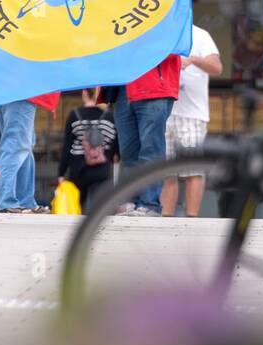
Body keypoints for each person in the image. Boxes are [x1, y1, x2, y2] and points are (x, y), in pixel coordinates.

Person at [161, 25, 222, 218]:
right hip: (166, 111)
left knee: (192, 170)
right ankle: (166, 217)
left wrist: (194, 59)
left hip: (192, 114)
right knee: (166, 172)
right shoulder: (165, 31)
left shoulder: (200, 35)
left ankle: (192, 217)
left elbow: (217, 67)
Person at [112, 54, 181, 216]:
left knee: (151, 148)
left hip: (153, 84)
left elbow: (176, 43)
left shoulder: (167, 26)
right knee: (129, 152)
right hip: (123, 86)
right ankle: (135, 202)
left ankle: (149, 204)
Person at [0, 93, 60, 214]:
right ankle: (6, 201)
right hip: (21, 91)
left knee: (24, 146)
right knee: (16, 145)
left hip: (9, 89)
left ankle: (24, 201)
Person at [57, 88, 119, 213]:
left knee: (78, 209)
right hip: (102, 170)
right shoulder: (109, 117)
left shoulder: (74, 115)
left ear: (84, 94)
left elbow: (67, 147)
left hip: (79, 169)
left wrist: (61, 173)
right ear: (98, 93)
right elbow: (116, 147)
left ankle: (82, 231)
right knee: (101, 210)